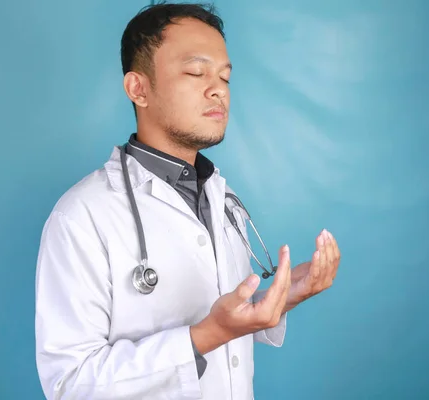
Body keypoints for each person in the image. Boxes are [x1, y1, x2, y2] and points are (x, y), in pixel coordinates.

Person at [34, 2, 341, 399]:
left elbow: (227, 319)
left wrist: (282, 298)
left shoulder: (222, 199)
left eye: (225, 77)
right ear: (138, 89)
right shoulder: (81, 215)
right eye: (196, 72)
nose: (217, 88)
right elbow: (68, 383)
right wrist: (206, 336)